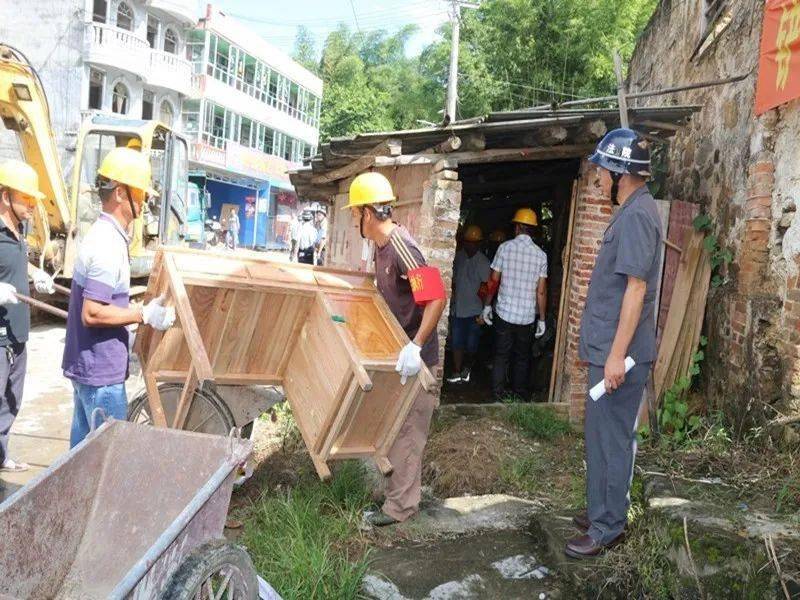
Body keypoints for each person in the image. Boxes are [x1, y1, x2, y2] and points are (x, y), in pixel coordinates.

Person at [565, 129, 662, 559]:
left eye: (601, 172)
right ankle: (599, 510)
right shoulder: (631, 211)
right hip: (609, 349)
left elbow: (636, 289)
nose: (598, 180)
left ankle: (608, 527)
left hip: (619, 354)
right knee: (598, 433)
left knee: (613, 438)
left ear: (621, 173)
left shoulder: (638, 215)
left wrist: (618, 356)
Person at [344, 172, 446, 526]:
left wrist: (416, 348)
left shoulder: (402, 246)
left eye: (355, 213)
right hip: (398, 356)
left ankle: (401, 510)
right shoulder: (379, 247)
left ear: (368, 214)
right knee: (391, 428)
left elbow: (435, 298)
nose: (354, 219)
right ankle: (395, 497)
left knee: (407, 434)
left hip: (415, 360)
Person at [62, 147, 176, 447]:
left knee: (81, 461)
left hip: (91, 372)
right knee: (108, 461)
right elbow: (93, 312)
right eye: (139, 191)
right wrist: (143, 314)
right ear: (120, 194)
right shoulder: (106, 243)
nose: (145, 199)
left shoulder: (105, 236)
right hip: (101, 378)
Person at [0, 160, 55, 473]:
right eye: (27, 200)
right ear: (6, 197)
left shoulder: (18, 231)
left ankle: (1, 455)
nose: (33, 207)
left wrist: (36, 274)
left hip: (19, 332)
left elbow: (15, 263)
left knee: (12, 400)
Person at [481, 208, 548, 401]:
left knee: (501, 356)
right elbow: (541, 291)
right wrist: (542, 319)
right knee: (522, 358)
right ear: (532, 230)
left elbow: (493, 281)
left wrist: (487, 305)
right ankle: (519, 395)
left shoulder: (504, 248)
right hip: (527, 318)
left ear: (517, 227)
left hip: (504, 313)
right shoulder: (541, 256)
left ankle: (497, 395)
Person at [447, 225, 490, 384]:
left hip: (475, 311)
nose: (471, 245)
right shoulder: (458, 257)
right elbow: (452, 281)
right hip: (458, 310)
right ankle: (457, 371)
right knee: (457, 343)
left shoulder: (483, 262)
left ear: (479, 244)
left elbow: (487, 288)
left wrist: (484, 311)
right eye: (468, 242)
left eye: (474, 242)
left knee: (472, 345)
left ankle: (467, 367)